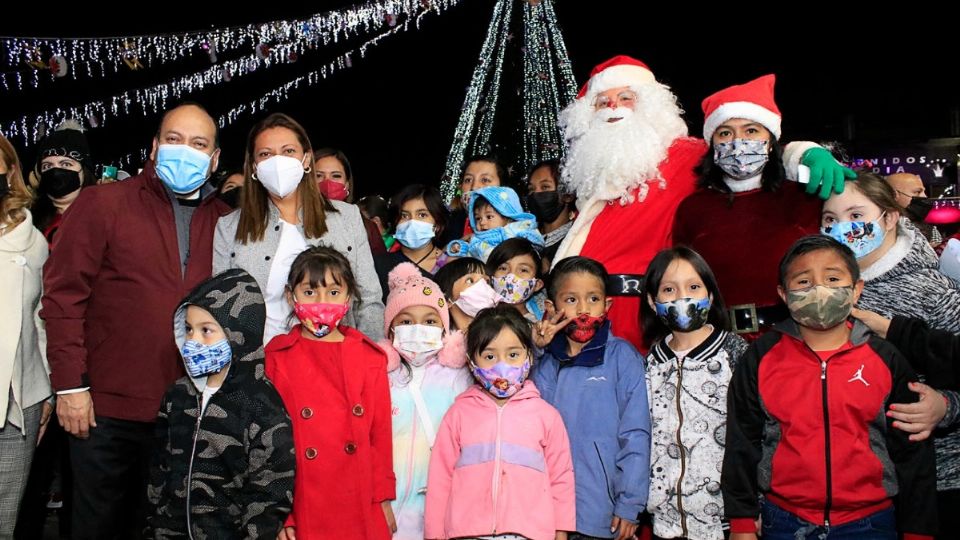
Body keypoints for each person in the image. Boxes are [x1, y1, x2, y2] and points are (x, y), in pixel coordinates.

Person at [552, 55, 852, 349]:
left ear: (649, 104)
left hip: (654, 317)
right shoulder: (590, 173)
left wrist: (803, 153)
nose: (613, 107)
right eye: (602, 102)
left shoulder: (683, 155)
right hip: (592, 317)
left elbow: (744, 151)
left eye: (625, 97)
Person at [41, 102, 230, 538]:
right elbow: (63, 297)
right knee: (99, 528)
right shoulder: (102, 203)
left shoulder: (224, 220)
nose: (186, 151)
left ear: (215, 158)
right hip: (104, 411)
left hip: (187, 413)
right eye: (174, 140)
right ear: (154, 146)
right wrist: (71, 387)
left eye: (199, 144)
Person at [722, 235, 937, 539]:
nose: (819, 290)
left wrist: (919, 530)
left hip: (871, 523)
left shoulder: (886, 358)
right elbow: (742, 441)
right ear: (784, 294)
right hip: (784, 521)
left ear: (856, 290)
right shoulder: (761, 357)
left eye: (833, 278)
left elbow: (913, 451)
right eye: (803, 282)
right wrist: (741, 520)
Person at [821, 172, 960, 528]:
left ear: (891, 216)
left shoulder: (936, 293)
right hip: (847, 485)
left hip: (936, 484)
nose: (842, 228)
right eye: (830, 219)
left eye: (856, 215)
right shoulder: (821, 289)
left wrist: (946, 406)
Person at [146, 269, 295, 539]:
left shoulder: (261, 405)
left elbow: (270, 490)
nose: (193, 341)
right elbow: (159, 470)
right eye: (189, 329)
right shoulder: (177, 396)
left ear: (239, 332)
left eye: (206, 331)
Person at [213, 113, 384, 345]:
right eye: (265, 154)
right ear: (254, 166)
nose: (277, 161)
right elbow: (221, 308)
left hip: (337, 361)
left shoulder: (347, 218)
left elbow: (369, 299)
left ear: (306, 159)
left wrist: (370, 358)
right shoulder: (230, 227)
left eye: (288, 151)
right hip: (260, 367)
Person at [673, 75, 823, 338]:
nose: (737, 142)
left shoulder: (803, 197)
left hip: (795, 337)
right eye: (725, 133)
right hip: (719, 340)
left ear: (770, 140)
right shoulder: (693, 208)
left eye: (751, 130)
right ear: (712, 145)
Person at [266, 246, 394, 540]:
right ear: (291, 297)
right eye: (310, 292)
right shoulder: (277, 358)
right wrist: (281, 512)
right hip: (302, 500)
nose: (322, 302)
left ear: (349, 298)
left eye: (333, 292)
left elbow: (380, 435)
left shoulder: (370, 357)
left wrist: (382, 496)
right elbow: (270, 445)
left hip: (360, 499)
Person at [424, 304, 576, 540]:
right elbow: (440, 479)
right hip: (467, 533)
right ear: (471, 361)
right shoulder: (458, 414)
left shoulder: (546, 416)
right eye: (489, 356)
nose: (502, 364)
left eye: (513, 354)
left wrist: (561, 530)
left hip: (529, 533)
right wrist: (434, 534)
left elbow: (561, 478)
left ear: (529, 355)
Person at [531, 256, 650, 540]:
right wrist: (535, 351)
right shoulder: (541, 362)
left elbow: (636, 434)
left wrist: (630, 503)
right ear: (551, 308)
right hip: (542, 510)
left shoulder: (623, 358)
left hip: (600, 513)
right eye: (571, 299)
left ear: (607, 306)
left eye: (593, 299)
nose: (584, 309)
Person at [639, 248, 747, 539]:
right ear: (652, 301)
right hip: (664, 522)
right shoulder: (650, 362)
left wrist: (750, 511)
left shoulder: (735, 353)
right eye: (669, 289)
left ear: (710, 296)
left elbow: (753, 437)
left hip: (723, 521)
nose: (681, 297)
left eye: (694, 287)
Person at [377, 263, 472, 539]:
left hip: (443, 509)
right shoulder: (380, 378)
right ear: (390, 329)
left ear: (444, 330)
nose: (418, 329)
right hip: (388, 511)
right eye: (406, 321)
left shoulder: (458, 378)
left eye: (430, 321)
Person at [0, 134, 52, 537]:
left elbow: (41, 318)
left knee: (4, 518)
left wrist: (46, 388)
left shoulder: (33, 241)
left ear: (11, 170)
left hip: (19, 403)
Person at [374, 184, 451, 303]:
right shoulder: (378, 265)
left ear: (438, 224)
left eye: (422, 215)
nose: (412, 222)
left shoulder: (450, 265)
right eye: (404, 215)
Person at [28, 120, 97, 245]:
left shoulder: (105, 215)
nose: (56, 171)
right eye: (47, 166)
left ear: (84, 170)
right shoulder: (28, 220)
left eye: (66, 164)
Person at [313, 147, 387, 255]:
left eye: (336, 176)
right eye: (318, 176)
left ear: (347, 184)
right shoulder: (294, 220)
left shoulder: (366, 227)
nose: (327, 182)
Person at [446, 186, 544, 262]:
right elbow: (470, 251)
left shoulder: (517, 229)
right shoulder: (477, 240)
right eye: (478, 218)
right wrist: (459, 247)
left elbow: (536, 242)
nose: (482, 222)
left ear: (507, 216)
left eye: (489, 217)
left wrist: (524, 239)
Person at [441, 155, 508, 246]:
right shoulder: (447, 224)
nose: (474, 187)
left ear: (503, 188)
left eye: (485, 180)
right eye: (468, 180)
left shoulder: (518, 227)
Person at [526, 160, 576, 272]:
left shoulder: (577, 237)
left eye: (545, 187)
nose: (535, 194)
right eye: (531, 189)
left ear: (568, 195)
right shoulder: (524, 236)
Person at [486, 238, 547, 323]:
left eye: (523, 270)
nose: (511, 276)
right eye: (503, 268)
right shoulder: (478, 315)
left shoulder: (538, 326)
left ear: (537, 284)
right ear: (490, 277)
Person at [434, 257, 500, 331]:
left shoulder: (505, 332)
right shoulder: (437, 339)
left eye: (487, 282)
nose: (483, 286)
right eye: (470, 280)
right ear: (447, 300)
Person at [886, 172, 941, 248]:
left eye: (923, 192)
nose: (924, 196)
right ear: (894, 195)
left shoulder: (931, 231)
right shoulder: (880, 227)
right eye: (917, 192)